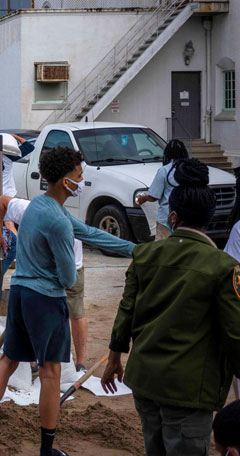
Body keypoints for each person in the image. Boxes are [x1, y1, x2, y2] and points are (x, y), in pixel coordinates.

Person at [0, 147, 133, 456]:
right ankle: (47, 449)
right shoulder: (58, 221)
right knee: (50, 374)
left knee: (7, 361)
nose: (82, 180)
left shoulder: (36, 207)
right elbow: (69, 279)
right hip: (46, 301)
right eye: (79, 176)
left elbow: (89, 233)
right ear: (64, 181)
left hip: (19, 294)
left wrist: (134, 249)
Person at [101, 159, 240, 456]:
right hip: (189, 391)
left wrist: (114, 357)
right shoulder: (223, 266)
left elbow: (126, 310)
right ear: (210, 217)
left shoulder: (145, 254)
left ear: (173, 218)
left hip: (145, 382)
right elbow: (235, 335)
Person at [0, 195, 126, 373]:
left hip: (69, 268)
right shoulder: (27, 209)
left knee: (74, 313)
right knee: (38, 319)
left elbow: (68, 277)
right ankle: (33, 360)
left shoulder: (61, 225)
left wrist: (131, 249)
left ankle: (79, 363)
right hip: (39, 275)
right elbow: (2, 201)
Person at [136, 139, 188, 240]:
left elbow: (153, 196)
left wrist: (143, 198)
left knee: (162, 249)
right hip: (187, 218)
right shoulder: (190, 169)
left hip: (167, 218)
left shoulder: (164, 171)